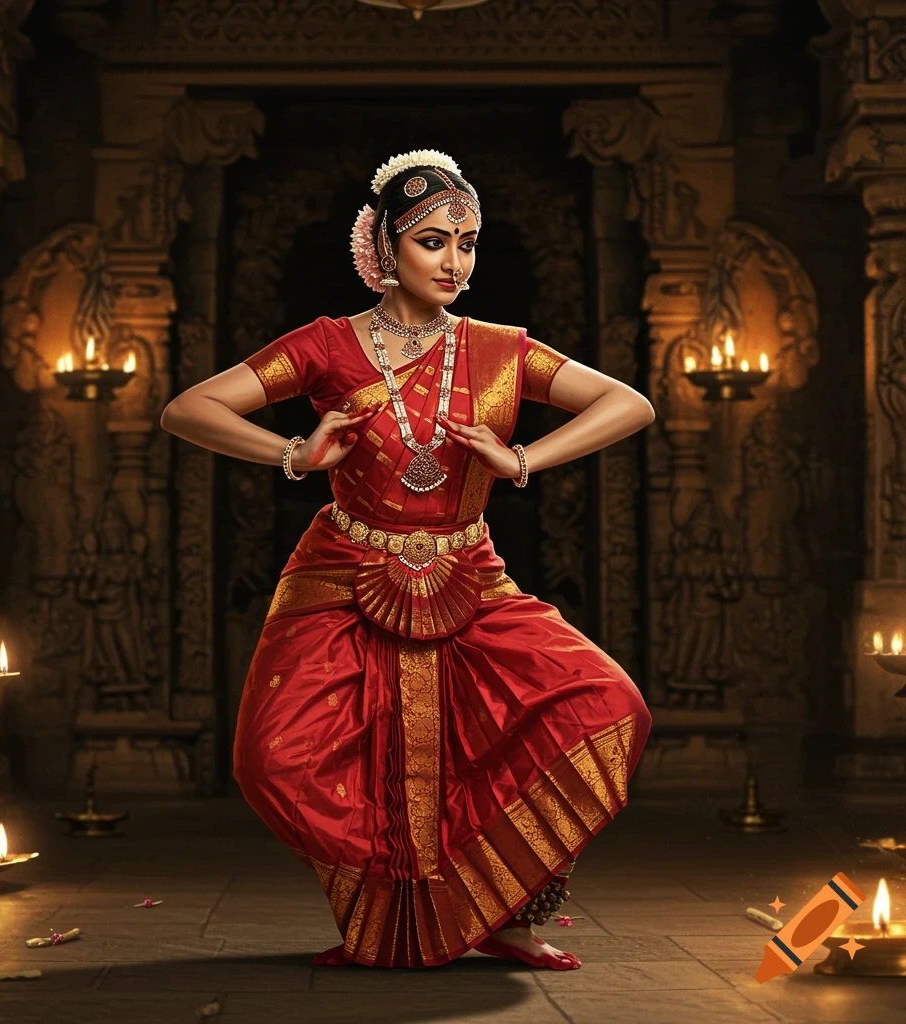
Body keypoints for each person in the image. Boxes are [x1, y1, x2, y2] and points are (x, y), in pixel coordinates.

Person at [160, 149, 655, 971]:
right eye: (433, 241)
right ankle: (383, 914)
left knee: (603, 703)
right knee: (272, 755)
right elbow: (189, 409)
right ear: (384, 248)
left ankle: (502, 910)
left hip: (470, 571)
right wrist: (294, 453)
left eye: (467, 242)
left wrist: (521, 461)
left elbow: (627, 403)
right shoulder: (325, 346)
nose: (455, 261)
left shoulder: (500, 350)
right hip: (344, 570)